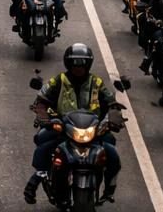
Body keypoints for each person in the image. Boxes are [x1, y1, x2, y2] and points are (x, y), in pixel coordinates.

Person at [24, 43, 120, 205]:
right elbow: (41, 100)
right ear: (68, 63)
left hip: (92, 129)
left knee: (112, 150)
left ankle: (109, 188)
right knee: (42, 142)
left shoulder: (97, 82)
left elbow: (111, 103)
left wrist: (114, 118)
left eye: (82, 63)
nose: (78, 67)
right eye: (74, 63)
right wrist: (44, 117)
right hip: (64, 127)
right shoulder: (58, 80)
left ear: (88, 64)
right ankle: (37, 179)